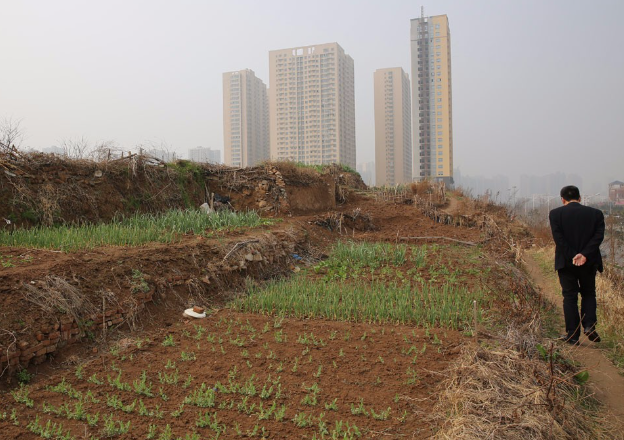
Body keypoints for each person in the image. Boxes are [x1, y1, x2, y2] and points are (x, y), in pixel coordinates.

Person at [549, 185, 605, 345]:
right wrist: (584, 255)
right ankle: (589, 325)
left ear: (562, 199)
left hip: (566, 263)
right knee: (588, 293)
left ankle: (572, 336)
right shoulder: (596, 214)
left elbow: (558, 239)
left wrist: (573, 255)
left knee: (570, 296)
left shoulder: (555, 214)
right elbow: (598, 237)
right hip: (588, 262)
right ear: (580, 198)